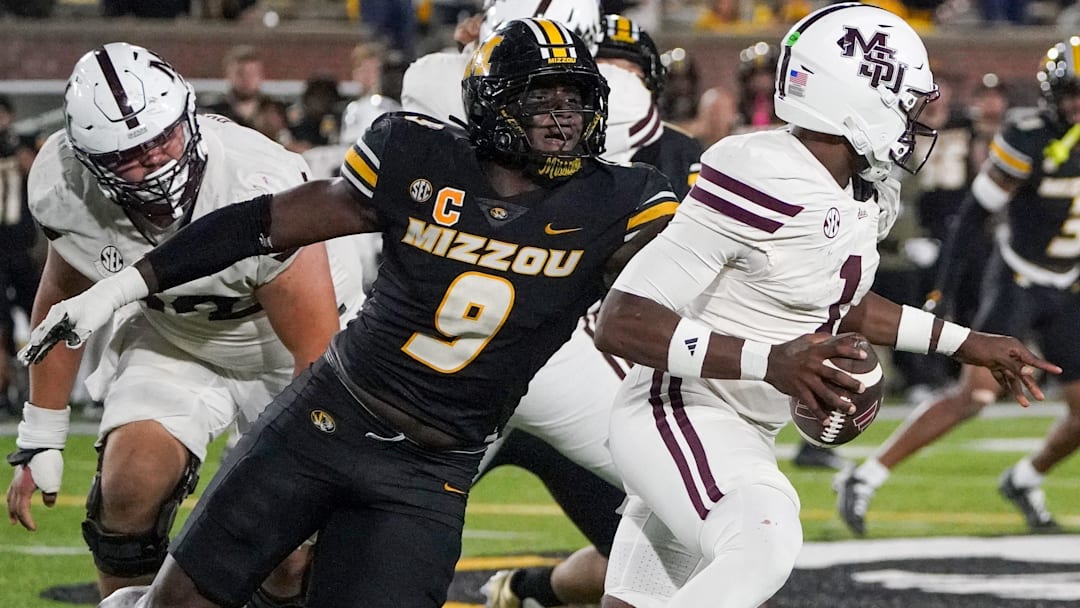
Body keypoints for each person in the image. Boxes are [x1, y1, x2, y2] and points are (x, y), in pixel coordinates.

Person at [24, 19, 679, 608]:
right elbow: (263, 223)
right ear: (492, 104)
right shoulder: (417, 158)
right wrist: (119, 289)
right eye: (542, 100)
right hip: (326, 417)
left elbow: (694, 270)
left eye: (575, 100)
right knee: (179, 601)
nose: (563, 119)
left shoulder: (620, 202)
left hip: (433, 467)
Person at [590, 4, 1059, 608]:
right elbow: (623, 319)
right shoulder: (765, 174)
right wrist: (773, 362)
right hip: (680, 409)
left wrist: (971, 343)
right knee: (765, 537)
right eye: (906, 101)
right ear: (857, 97)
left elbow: (843, 301)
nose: (918, 118)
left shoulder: (862, 186)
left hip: (741, 425)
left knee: (637, 600)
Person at [3, 43, 362, 606]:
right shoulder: (66, 184)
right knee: (128, 485)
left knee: (284, 543)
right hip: (177, 337)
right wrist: (41, 432)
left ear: (188, 116)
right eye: (131, 157)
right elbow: (64, 298)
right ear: (89, 161)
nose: (157, 165)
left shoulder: (255, 178)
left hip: (288, 352)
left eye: (162, 141)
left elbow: (311, 352)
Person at [835, 37, 1080, 537]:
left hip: (1069, 279)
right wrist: (943, 292)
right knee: (978, 396)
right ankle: (865, 476)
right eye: (1074, 91)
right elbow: (973, 217)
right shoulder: (1028, 133)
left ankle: (1024, 479)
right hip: (1018, 276)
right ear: (1053, 92)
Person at [0, 95, 39, 417]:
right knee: (2, 326)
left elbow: (40, 169)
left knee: (41, 316)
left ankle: (36, 390)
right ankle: (5, 391)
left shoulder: (23, 143)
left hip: (22, 247)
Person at [200, 45, 272, 130]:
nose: (246, 79)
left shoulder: (276, 112)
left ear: (261, 75)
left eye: (252, 74)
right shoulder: (212, 113)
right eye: (240, 73)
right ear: (228, 75)